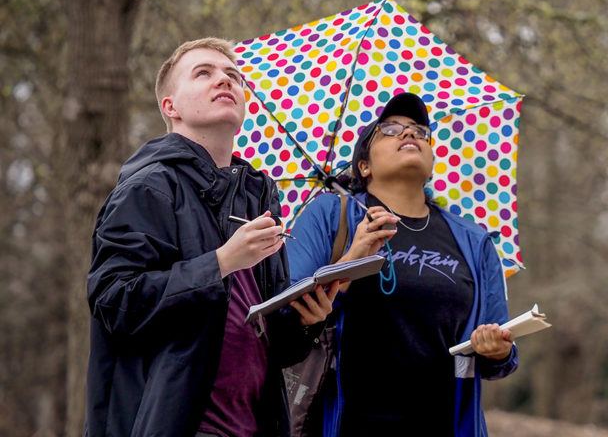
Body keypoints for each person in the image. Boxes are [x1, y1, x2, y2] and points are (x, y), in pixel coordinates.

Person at [85, 37, 341, 436]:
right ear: (171, 107)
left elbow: (271, 346)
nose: (224, 80)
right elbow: (114, 302)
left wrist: (308, 320)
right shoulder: (149, 187)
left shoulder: (259, 199)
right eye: (203, 73)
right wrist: (221, 263)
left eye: (232, 76)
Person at [286, 92, 517, 437]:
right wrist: (352, 260)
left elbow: (500, 357)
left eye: (419, 131)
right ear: (364, 166)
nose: (410, 134)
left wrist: (498, 351)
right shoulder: (331, 215)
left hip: (444, 426)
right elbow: (288, 312)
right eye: (390, 129)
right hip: (346, 424)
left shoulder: (474, 241)